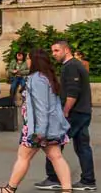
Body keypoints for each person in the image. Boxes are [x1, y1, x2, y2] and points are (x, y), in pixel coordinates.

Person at [0, 49, 76, 193]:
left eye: (29, 58)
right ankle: (67, 189)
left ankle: (9, 189)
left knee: (23, 157)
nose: (27, 61)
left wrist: (39, 133)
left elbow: (42, 108)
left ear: (35, 61)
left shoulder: (37, 79)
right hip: (48, 127)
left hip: (38, 128)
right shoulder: (47, 77)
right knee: (56, 157)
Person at [33, 40, 94, 192]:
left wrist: (65, 111)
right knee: (82, 147)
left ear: (66, 50)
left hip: (74, 113)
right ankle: (88, 180)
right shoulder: (73, 65)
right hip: (82, 111)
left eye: (56, 51)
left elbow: (73, 93)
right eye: (52, 51)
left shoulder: (71, 66)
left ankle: (53, 178)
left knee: (53, 143)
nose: (53, 54)